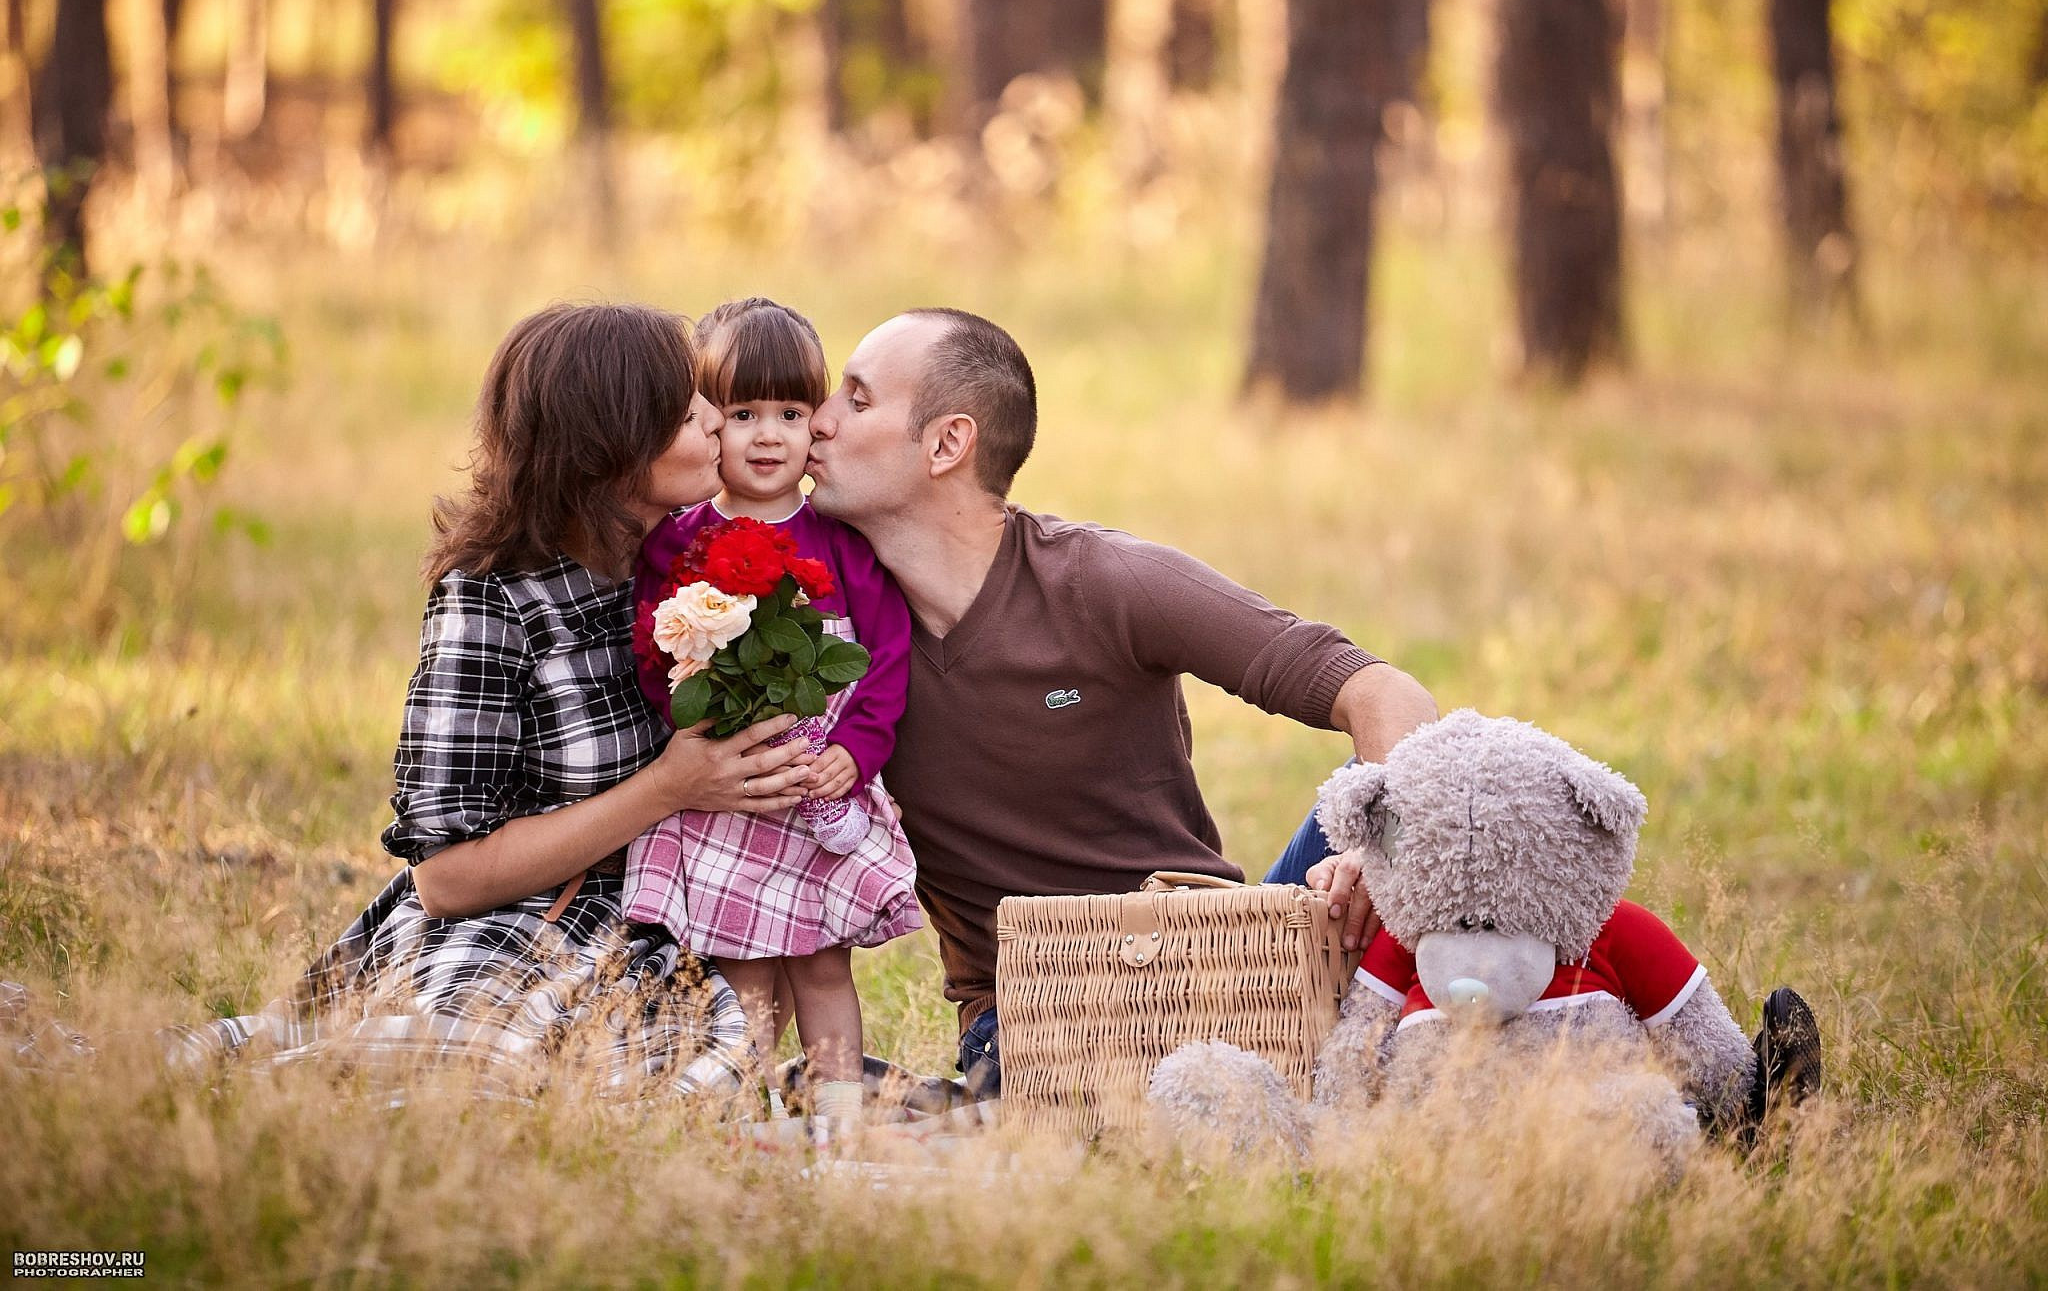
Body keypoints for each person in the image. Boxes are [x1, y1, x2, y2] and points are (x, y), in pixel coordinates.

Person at [158, 302, 821, 1102]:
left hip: (673, 922)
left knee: (673, 1096)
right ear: (611, 451)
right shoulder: (493, 601)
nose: (721, 421)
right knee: (465, 1077)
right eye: (688, 414)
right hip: (521, 922)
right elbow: (446, 880)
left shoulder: (695, 558)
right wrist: (668, 788)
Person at [804, 308, 1439, 1096]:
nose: (818, 422)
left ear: (947, 443)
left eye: (857, 400)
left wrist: (1375, 849)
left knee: (1464, 787)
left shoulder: (1105, 582)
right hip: (1031, 1018)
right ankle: (955, 1113)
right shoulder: (818, 629)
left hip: (1220, 967)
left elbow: (1383, 692)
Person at [623, 298, 920, 1138]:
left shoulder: (843, 541)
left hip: (815, 786)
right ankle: (737, 1120)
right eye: (743, 414)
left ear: (815, 422)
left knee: (823, 966)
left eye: (791, 414)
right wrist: (689, 726)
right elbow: (654, 651)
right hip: (728, 789)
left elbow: (886, 658)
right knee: (742, 971)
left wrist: (858, 753)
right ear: (707, 422)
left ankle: (837, 1125)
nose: (766, 436)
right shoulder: (677, 540)